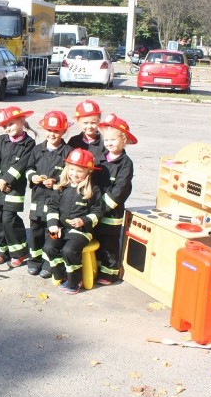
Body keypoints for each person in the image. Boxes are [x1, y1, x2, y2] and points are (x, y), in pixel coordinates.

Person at [44, 148, 103, 294]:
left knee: (69, 250)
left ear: (88, 172)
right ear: (67, 168)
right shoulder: (61, 187)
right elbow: (52, 207)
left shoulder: (92, 190)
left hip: (81, 232)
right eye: (72, 170)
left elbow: (98, 212)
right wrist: (53, 226)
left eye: (80, 171)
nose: (74, 174)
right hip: (60, 229)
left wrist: (84, 221)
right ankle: (60, 274)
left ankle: (74, 281)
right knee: (49, 247)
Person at [26, 110, 71, 278]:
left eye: (57, 131)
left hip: (56, 202)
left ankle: (48, 263)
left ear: (64, 131)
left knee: (51, 232)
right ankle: (34, 261)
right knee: (36, 232)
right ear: (44, 130)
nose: (53, 134)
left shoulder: (68, 152)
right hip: (37, 199)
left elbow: (70, 176)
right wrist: (34, 177)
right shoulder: (37, 150)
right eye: (49, 130)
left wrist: (56, 182)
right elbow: (29, 168)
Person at [94, 114, 137, 286]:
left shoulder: (126, 163)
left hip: (112, 212)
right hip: (97, 209)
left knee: (109, 243)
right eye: (106, 140)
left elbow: (120, 190)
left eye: (113, 140)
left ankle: (110, 273)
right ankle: (96, 268)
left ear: (124, 140)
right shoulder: (100, 158)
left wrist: (103, 207)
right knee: (96, 239)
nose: (109, 143)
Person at [0, 106, 36, 268]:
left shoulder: (29, 143)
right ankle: (3, 247)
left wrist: (6, 180)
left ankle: (19, 251)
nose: (7, 128)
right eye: (5, 126)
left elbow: (22, 165)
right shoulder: (1, 140)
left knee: (9, 220)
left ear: (22, 121)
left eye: (11, 124)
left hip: (14, 188)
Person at [67, 99, 106, 164]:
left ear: (99, 121)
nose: (89, 126)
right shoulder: (73, 141)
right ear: (79, 122)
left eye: (93, 123)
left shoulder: (104, 143)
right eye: (85, 123)